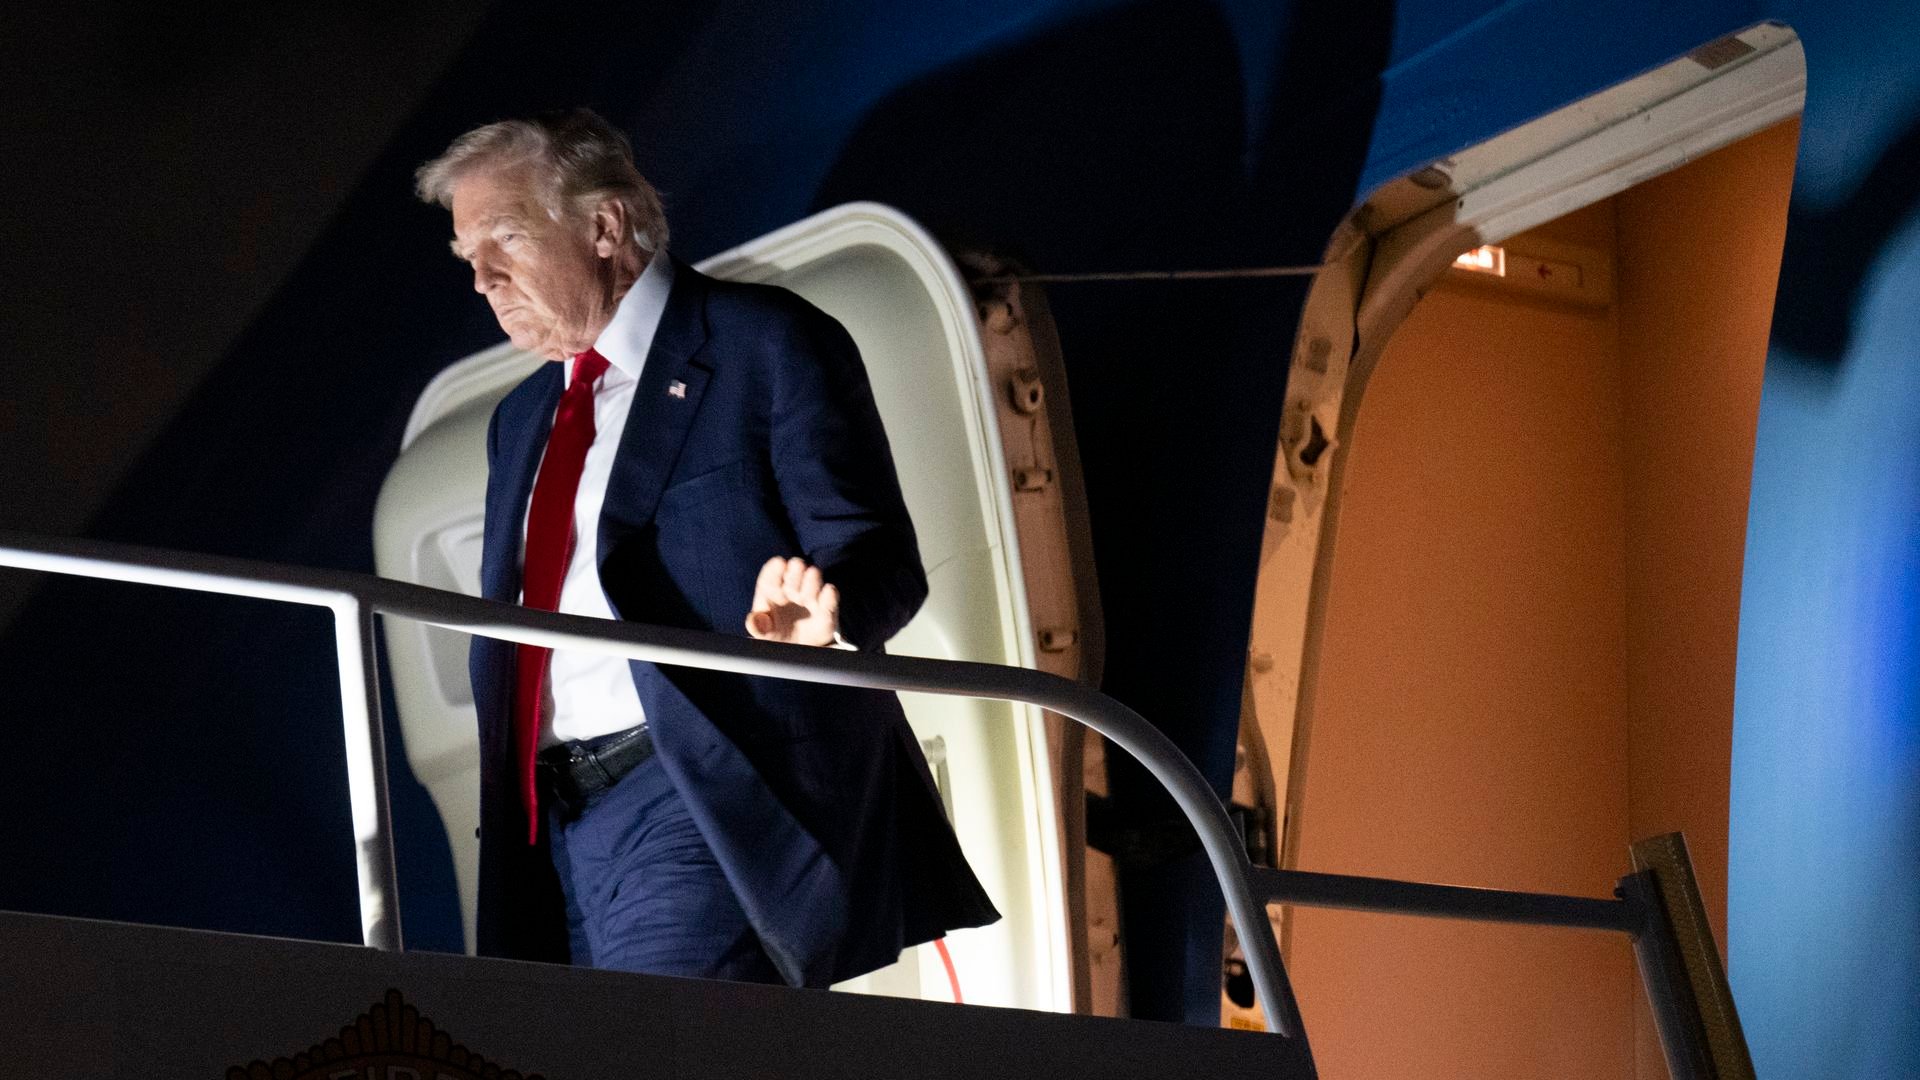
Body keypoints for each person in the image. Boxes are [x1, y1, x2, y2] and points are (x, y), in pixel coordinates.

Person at [415, 108, 997, 987]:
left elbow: (880, 558)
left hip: (700, 789)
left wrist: (825, 620)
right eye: (469, 260)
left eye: (503, 239)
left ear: (604, 226)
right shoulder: (519, 422)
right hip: (554, 829)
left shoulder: (763, 343)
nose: (483, 280)